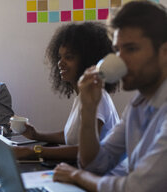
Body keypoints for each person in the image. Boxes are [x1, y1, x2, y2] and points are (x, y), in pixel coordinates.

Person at [53, 1, 167, 192]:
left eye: (132, 49)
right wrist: (89, 108)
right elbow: (94, 164)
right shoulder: (139, 103)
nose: (120, 60)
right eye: (117, 50)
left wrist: (75, 176)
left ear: (165, 52)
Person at [14, 22, 119, 161]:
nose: (60, 63)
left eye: (68, 57)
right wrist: (37, 135)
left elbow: (84, 150)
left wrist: (34, 151)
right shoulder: (83, 95)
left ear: (87, 61)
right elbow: (72, 136)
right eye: (60, 57)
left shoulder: (98, 98)